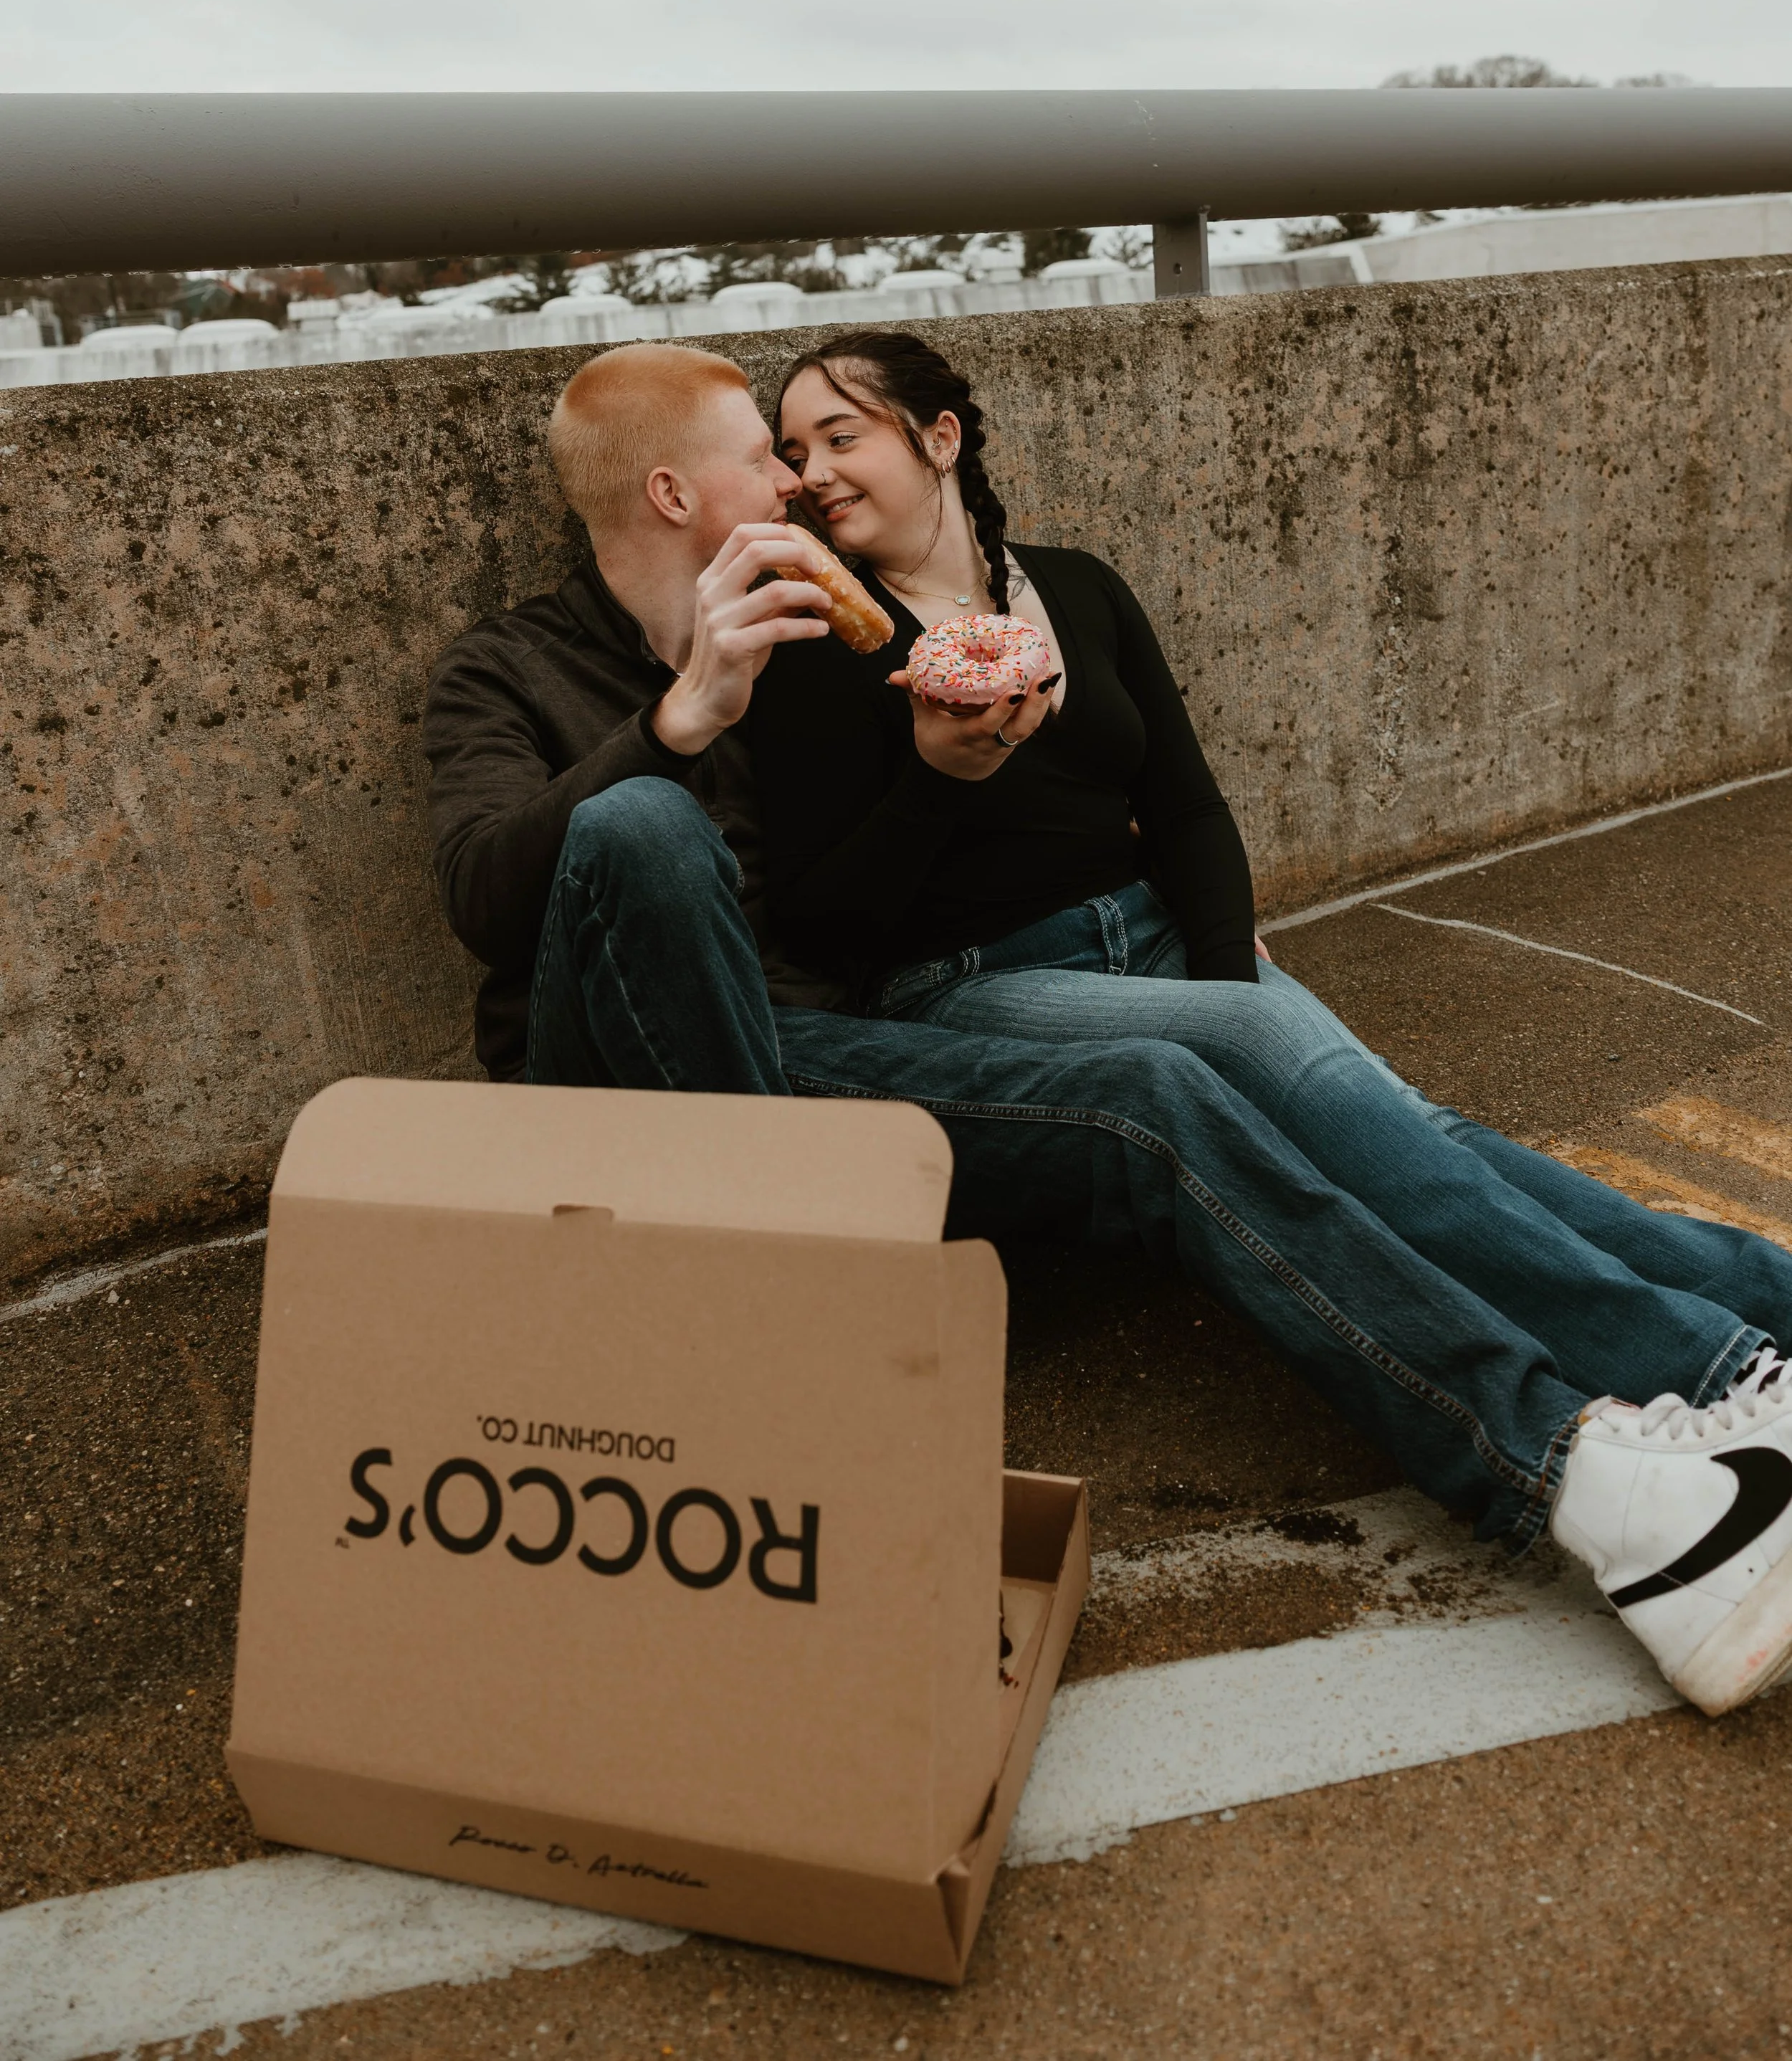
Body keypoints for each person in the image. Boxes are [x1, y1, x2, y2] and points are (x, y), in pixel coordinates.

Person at [425, 338, 1792, 1721]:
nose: (797, 478)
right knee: (642, 826)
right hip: (623, 1102)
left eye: (820, 444)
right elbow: (487, 892)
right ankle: (778, 1361)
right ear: (671, 492)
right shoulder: (513, 669)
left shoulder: (812, 642)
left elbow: (997, 842)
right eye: (767, 453)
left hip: (815, 1073)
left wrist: (1183, 929)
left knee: (1161, 1089)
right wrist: (678, 716)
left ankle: (1592, 1470)